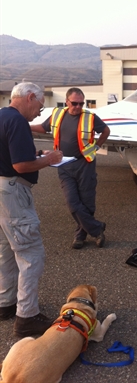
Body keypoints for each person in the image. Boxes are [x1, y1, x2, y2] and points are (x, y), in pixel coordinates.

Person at [0, 82, 63, 337]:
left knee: (5, 251)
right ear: (29, 97)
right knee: (30, 253)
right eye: (39, 105)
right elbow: (21, 165)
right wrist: (49, 159)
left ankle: (5, 303)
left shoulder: (3, 116)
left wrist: (37, 151)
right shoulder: (18, 122)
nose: (40, 111)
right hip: (13, 193)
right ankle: (27, 316)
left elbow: (9, 151)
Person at [31, 88, 110, 250]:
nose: (78, 106)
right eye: (74, 103)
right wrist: (28, 126)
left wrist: (97, 147)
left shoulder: (90, 117)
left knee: (87, 202)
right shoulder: (58, 114)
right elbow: (45, 127)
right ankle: (97, 228)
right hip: (64, 165)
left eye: (82, 103)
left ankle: (80, 236)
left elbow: (106, 131)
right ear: (67, 102)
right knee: (72, 202)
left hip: (84, 163)